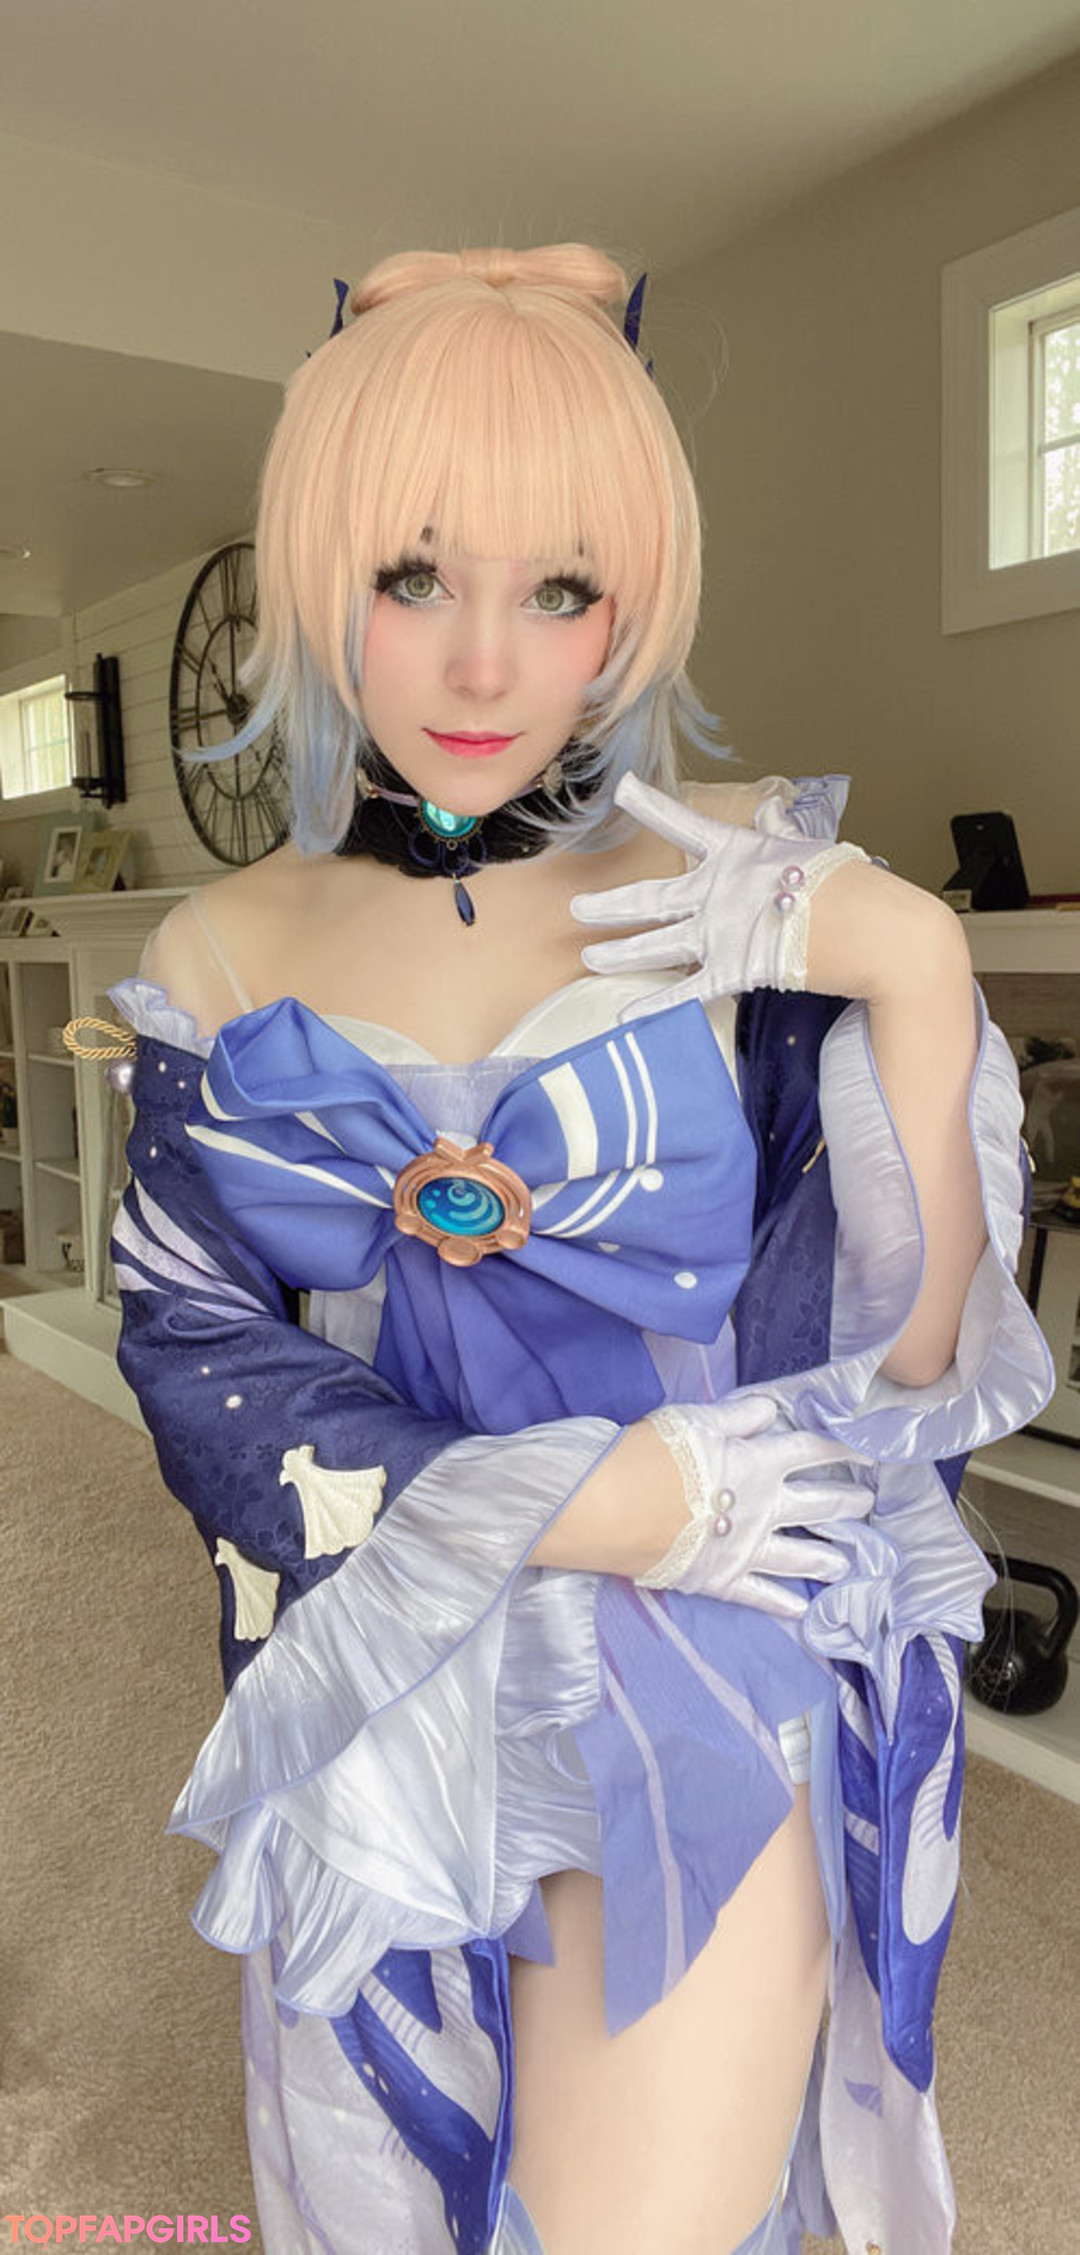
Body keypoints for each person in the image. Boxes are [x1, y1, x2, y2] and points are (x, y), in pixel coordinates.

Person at [103, 244, 1051, 2254]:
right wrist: (578, 1498)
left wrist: (912, 958)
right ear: (319, 572)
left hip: (708, 1639)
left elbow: (918, 1360)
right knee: (385, 2189)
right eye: (411, 577)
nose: (481, 669)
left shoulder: (750, 887)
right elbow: (195, 1356)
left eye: (561, 590)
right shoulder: (217, 948)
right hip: (392, 1641)